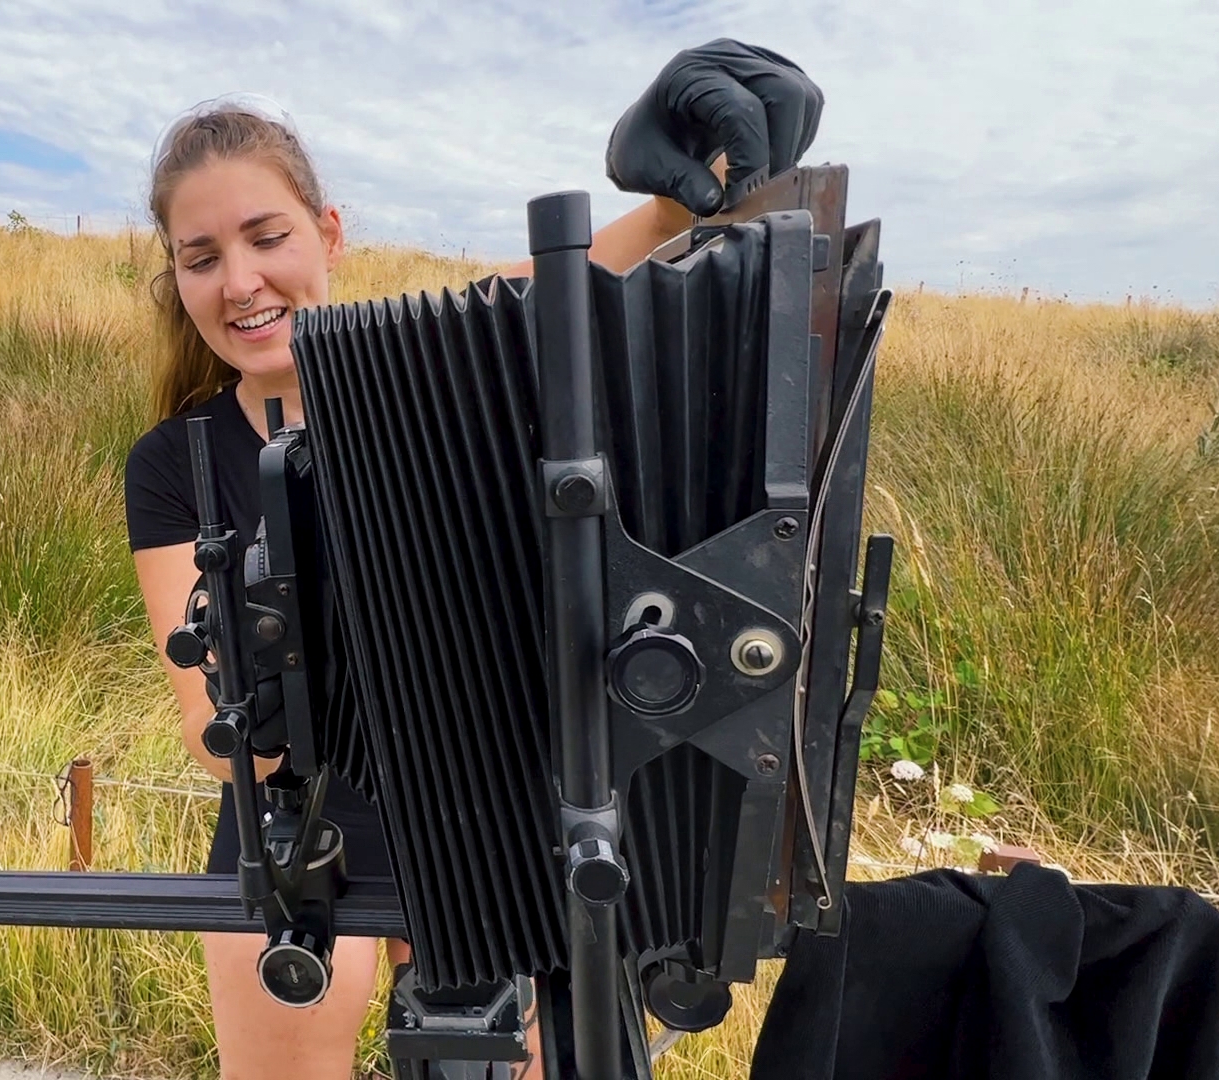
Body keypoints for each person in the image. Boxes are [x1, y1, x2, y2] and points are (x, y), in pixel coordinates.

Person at [121, 39, 826, 1080]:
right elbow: (210, 733)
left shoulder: (435, 371)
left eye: (266, 237)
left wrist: (690, 172)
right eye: (202, 256)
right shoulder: (172, 462)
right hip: (298, 834)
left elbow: (616, 258)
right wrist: (279, 693)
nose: (241, 281)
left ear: (328, 233)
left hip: (490, 816)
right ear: (175, 274)